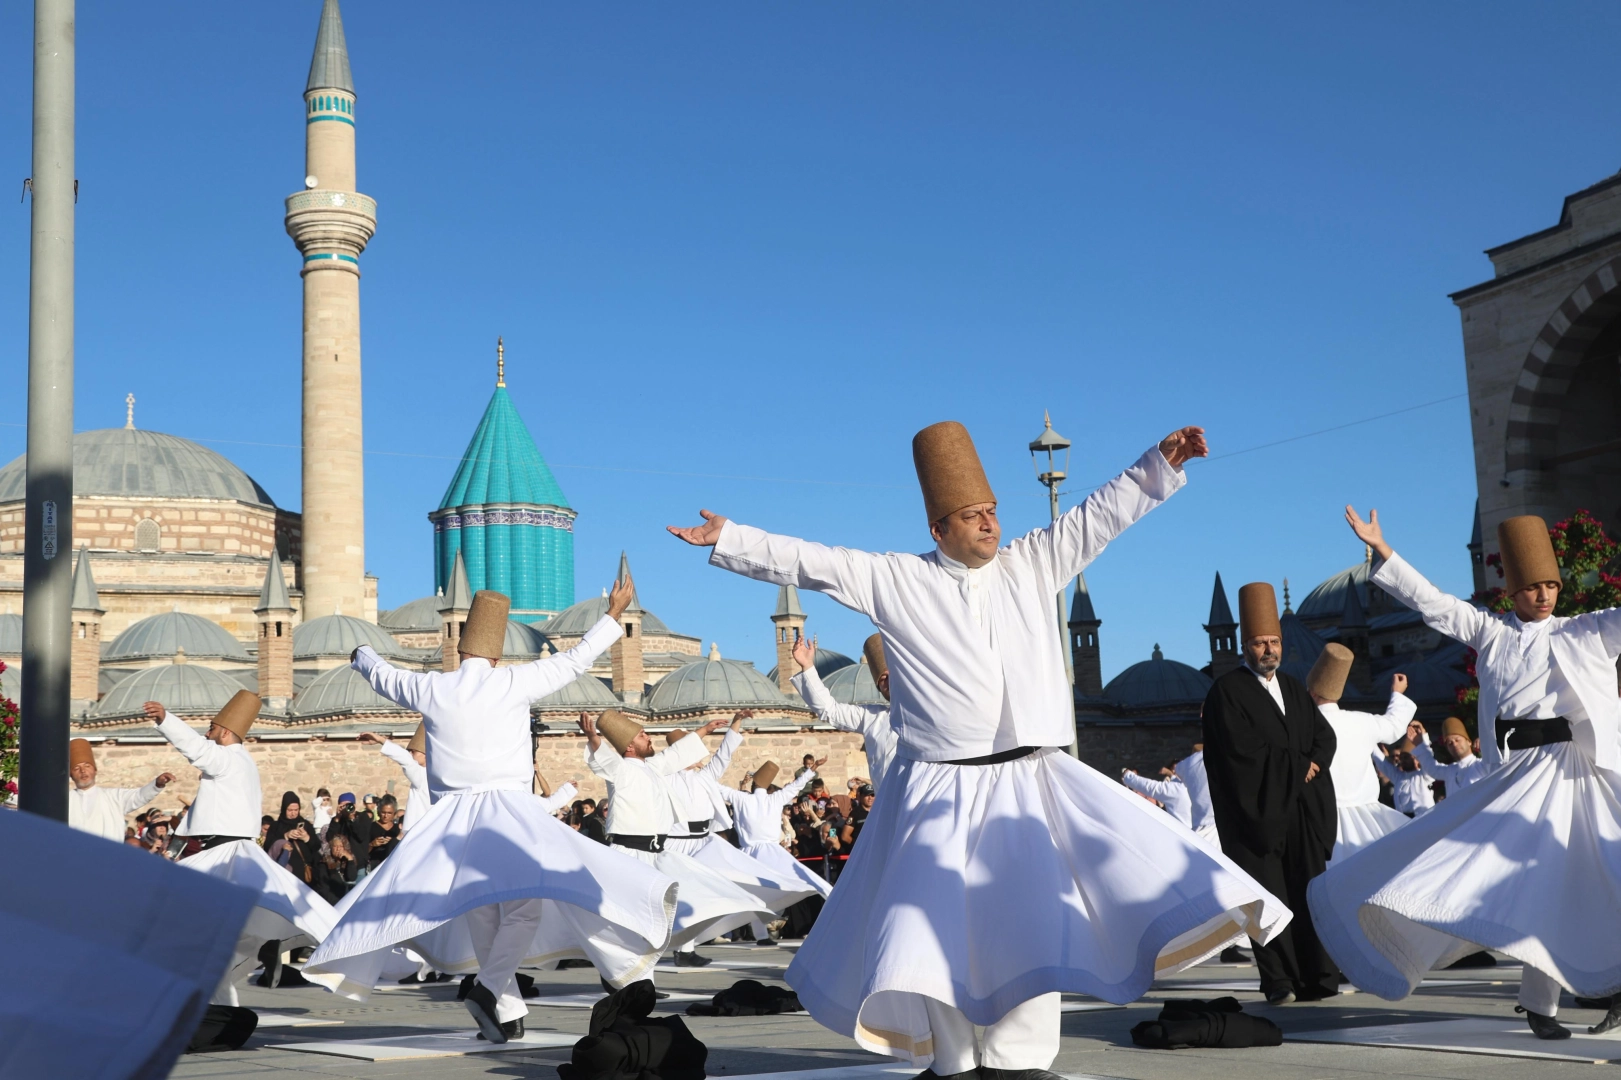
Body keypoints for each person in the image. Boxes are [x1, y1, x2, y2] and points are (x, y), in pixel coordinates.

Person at [672, 421, 1286, 1078]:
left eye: (992, 513)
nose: (989, 526)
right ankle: (956, 1063)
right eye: (972, 517)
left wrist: (1158, 464)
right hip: (939, 790)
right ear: (939, 529)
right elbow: (812, 562)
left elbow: (1098, 517)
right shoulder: (897, 579)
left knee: (1032, 920)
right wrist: (732, 539)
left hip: (1030, 781)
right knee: (940, 938)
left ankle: (1021, 1062)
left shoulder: (1029, 562)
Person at [305, 583, 679, 1046]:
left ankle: (507, 1009)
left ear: (461, 650)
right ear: (498, 655)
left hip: (453, 818)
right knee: (524, 907)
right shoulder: (513, 681)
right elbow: (576, 659)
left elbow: (382, 675)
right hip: (508, 811)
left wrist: (361, 653)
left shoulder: (432, 686)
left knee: (481, 912)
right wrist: (613, 613)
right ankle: (487, 991)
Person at [1312, 510, 1621, 1039]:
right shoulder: (1492, 632)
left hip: (1572, 771)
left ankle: (1606, 989)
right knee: (1527, 884)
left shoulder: (1586, 630)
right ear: (1512, 589)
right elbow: (1433, 603)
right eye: (1531, 587)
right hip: (1517, 775)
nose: (1543, 595)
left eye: (1550, 585)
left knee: (1597, 876)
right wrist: (1383, 550)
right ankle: (1542, 1006)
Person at [145, 691, 337, 1006]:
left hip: (224, 852)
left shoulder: (229, 757)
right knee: (221, 927)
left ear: (225, 731)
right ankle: (242, 974)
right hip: (232, 850)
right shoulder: (243, 763)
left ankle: (259, 950)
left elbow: (196, 749)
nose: (207, 733)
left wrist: (166, 720)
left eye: (211, 728)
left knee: (167, 900)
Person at [1202, 581, 1337, 1006]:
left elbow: (1323, 735)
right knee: (1269, 899)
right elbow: (1242, 755)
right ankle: (1278, 979)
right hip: (1257, 817)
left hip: (1300, 814)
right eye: (1260, 643)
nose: (1268, 650)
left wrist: (1312, 761)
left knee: (1309, 892)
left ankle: (1317, 976)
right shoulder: (1228, 692)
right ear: (1245, 646)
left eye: (1274, 642)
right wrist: (1299, 766)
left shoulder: (1295, 689)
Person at [582, 708, 771, 960]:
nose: (648, 738)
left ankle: (643, 977)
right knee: (633, 918)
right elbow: (604, 757)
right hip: (630, 853)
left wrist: (705, 730)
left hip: (656, 853)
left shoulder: (653, 767)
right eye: (642, 735)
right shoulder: (621, 770)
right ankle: (616, 968)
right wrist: (593, 737)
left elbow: (675, 754)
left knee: (672, 908)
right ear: (629, 747)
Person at [1308, 647, 1417, 862]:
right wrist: (1397, 693)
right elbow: (1395, 725)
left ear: (1311, 692)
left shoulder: (1301, 726)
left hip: (1320, 822)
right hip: (1371, 822)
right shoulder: (1362, 721)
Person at [792, 634, 899, 792]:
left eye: (893, 676)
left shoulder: (928, 714)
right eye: (883, 678)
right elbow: (830, 710)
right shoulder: (872, 716)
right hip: (887, 806)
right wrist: (807, 666)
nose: (888, 682)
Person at [66, 738, 174, 842]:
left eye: (87, 766)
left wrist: (157, 784)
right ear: (71, 774)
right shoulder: (65, 801)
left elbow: (139, 796)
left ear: (95, 770)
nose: (83, 771)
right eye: (76, 768)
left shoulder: (114, 796)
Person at [360, 725, 431, 831]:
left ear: (426, 755)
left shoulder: (423, 775)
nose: (410, 754)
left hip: (419, 831)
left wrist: (381, 740)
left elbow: (406, 760)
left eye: (414, 751)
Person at [1410, 717, 1488, 791]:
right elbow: (1432, 768)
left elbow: (1498, 765)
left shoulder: (1483, 766)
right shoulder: (1450, 772)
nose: (1454, 744)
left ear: (1469, 742)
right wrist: (1420, 741)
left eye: (1458, 740)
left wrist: (1487, 745)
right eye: (1450, 743)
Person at [1119, 763, 1194, 830]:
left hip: (1182, 833)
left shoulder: (1178, 789)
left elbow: (1151, 787)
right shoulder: (1196, 788)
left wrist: (1128, 776)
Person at [1370, 739, 1433, 816]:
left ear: (1416, 758)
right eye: (1401, 758)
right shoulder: (1399, 776)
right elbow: (1381, 761)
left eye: (1406, 757)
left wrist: (1423, 738)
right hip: (1403, 820)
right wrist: (1371, 741)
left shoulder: (1424, 776)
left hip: (1424, 819)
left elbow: (1428, 760)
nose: (1402, 760)